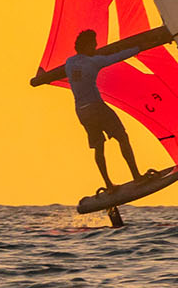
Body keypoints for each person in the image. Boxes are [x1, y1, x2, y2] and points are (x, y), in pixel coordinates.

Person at [63, 29, 150, 191]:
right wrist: (139, 48)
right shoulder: (94, 62)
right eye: (94, 45)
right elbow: (117, 57)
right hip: (96, 107)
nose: (96, 47)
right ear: (88, 45)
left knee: (98, 147)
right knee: (122, 137)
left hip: (82, 111)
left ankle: (109, 185)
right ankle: (137, 177)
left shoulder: (69, 63)